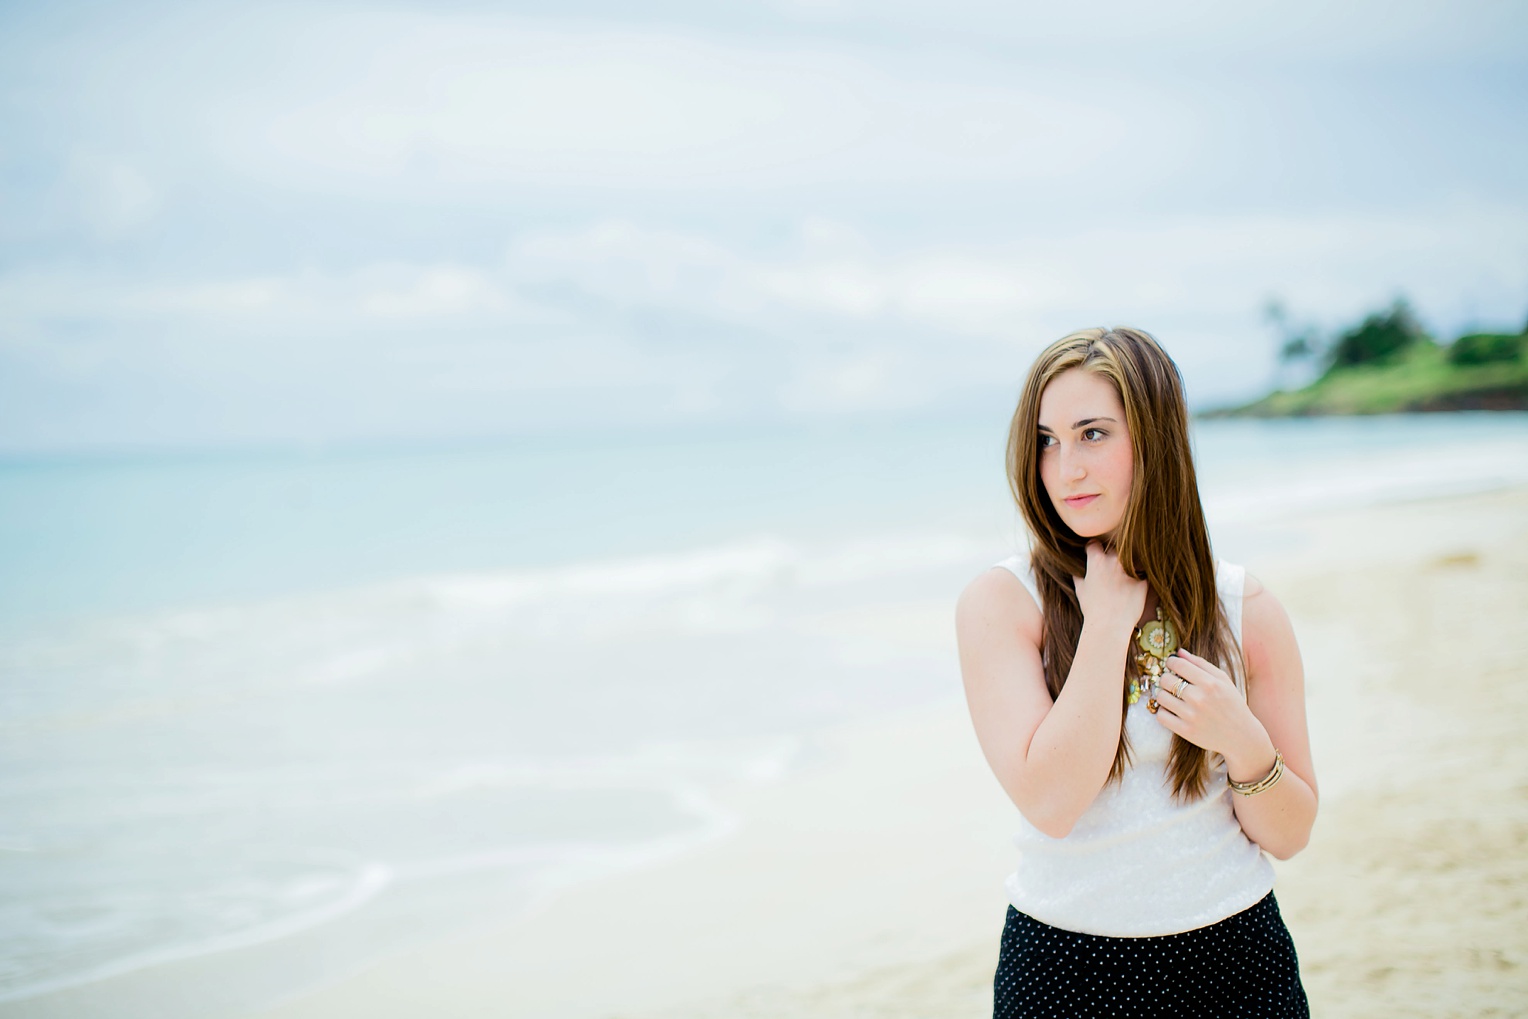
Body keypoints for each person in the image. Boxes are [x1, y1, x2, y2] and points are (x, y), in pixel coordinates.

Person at [955, 327, 1317, 1018]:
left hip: (1236, 962)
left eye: (1092, 434)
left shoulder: (1245, 607)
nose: (1065, 469)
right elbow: (1051, 801)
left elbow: (1291, 833)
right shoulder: (1004, 604)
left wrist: (1242, 741)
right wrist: (1107, 622)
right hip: (1065, 969)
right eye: (1046, 440)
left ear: (1153, 440)